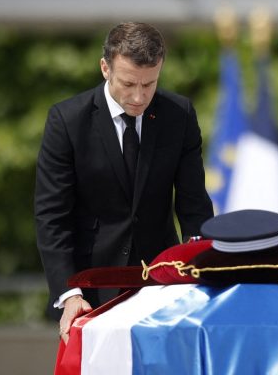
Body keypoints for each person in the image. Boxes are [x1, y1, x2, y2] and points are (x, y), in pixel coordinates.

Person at [34, 22, 214, 343]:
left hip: (162, 283)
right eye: (129, 83)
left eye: (150, 84)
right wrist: (69, 293)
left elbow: (194, 206)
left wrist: (200, 273)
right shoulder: (66, 121)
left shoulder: (179, 115)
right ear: (105, 68)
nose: (139, 96)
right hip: (90, 288)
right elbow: (52, 217)